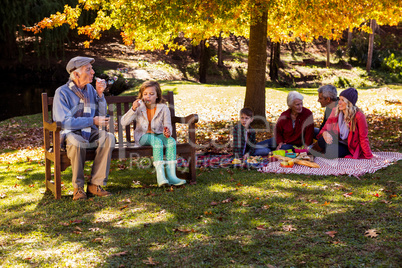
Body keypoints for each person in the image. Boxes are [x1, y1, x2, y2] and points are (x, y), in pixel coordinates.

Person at [53, 56, 115, 200]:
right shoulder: (62, 92)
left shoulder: (91, 90)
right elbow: (65, 122)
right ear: (76, 74)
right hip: (71, 132)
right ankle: (78, 188)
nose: (93, 72)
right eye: (88, 69)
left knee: (108, 138)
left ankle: (95, 184)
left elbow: (101, 114)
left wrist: (100, 94)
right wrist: (92, 120)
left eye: (91, 69)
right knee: (76, 142)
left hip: (90, 131)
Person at [120, 81, 186, 187]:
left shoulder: (163, 108)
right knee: (157, 142)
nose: (148, 96)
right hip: (143, 137)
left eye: (151, 94)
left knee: (171, 141)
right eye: (145, 94)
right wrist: (133, 109)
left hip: (159, 134)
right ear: (141, 96)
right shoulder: (139, 107)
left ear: (157, 95)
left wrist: (167, 131)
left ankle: (171, 176)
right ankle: (161, 177)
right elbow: (123, 122)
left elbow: (167, 124)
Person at [315, 87, 373, 159]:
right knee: (321, 141)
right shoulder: (335, 111)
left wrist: (368, 155)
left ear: (349, 103)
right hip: (337, 141)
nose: (339, 102)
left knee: (331, 152)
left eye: (343, 100)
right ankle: (315, 152)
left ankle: (326, 153)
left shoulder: (359, 116)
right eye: (339, 99)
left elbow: (363, 137)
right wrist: (325, 133)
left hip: (349, 146)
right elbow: (325, 128)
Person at [253, 91, 314, 155]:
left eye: (301, 103)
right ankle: (264, 151)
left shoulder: (307, 114)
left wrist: (305, 147)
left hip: (294, 145)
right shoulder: (284, 115)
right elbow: (277, 130)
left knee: (283, 148)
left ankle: (269, 152)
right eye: (297, 104)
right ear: (290, 105)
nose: (300, 106)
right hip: (282, 140)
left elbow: (309, 133)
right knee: (256, 146)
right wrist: (280, 142)